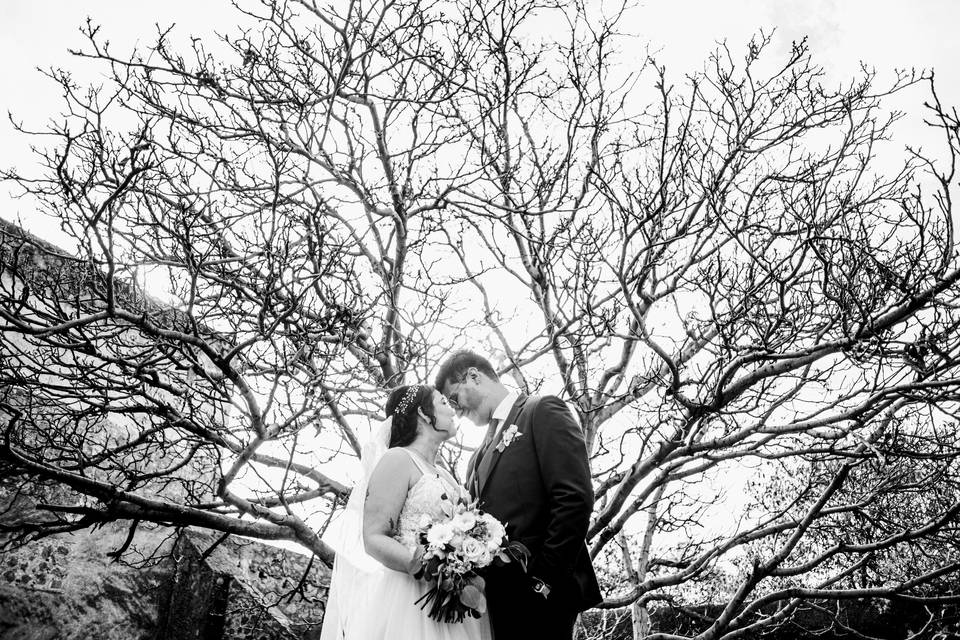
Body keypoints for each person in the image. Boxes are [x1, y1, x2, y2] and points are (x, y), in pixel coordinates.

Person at [436, 351, 603, 640]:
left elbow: (573, 498)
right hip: (497, 606)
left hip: (542, 597)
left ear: (474, 376)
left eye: (454, 398)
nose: (456, 411)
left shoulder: (541, 410)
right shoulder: (474, 460)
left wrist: (544, 582)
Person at [320, 384, 491, 640]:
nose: (453, 410)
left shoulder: (445, 475)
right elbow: (374, 537)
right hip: (412, 598)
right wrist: (428, 567)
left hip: (453, 599)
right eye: (444, 403)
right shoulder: (398, 459)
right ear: (423, 413)